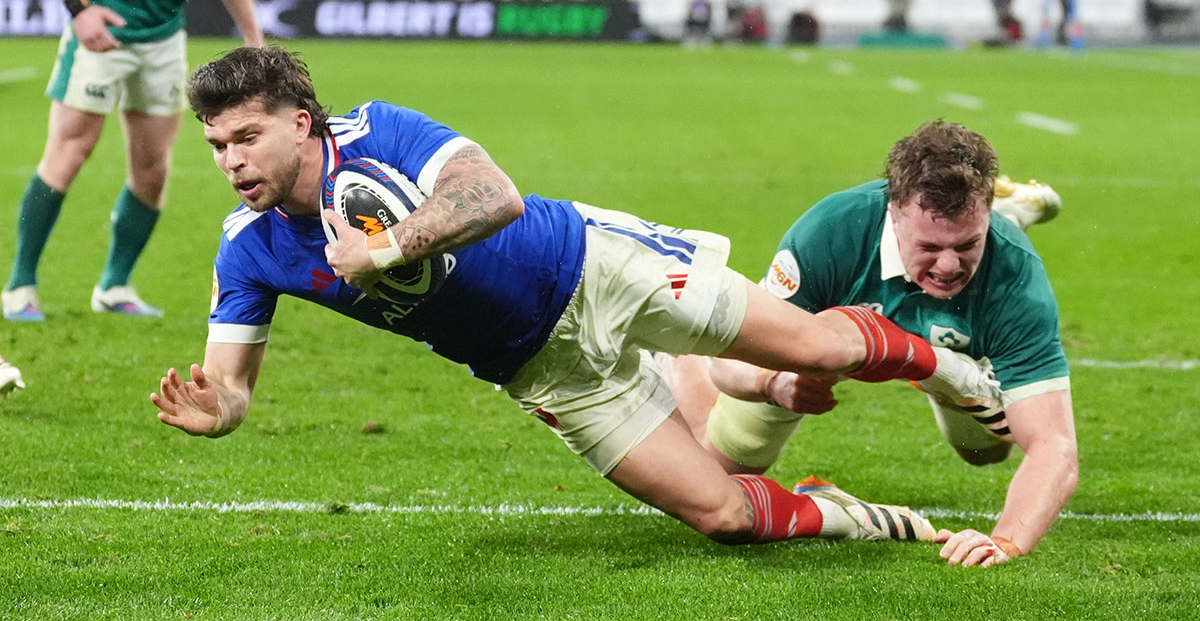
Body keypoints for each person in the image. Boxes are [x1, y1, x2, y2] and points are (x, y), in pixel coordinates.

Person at [151, 47, 1003, 547]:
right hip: (542, 371)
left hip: (599, 268)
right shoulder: (247, 250)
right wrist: (220, 410)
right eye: (219, 144)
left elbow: (494, 195)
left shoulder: (380, 131)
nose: (230, 160)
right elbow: (233, 382)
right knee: (719, 515)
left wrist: (385, 248)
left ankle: (949, 369)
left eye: (246, 136)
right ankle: (857, 517)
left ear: (300, 121)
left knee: (817, 347)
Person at [662, 120, 1074, 567]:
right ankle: (671, 351)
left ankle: (949, 351)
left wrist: (1006, 542)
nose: (950, 265)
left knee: (985, 451)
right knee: (717, 476)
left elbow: (1053, 445)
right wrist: (774, 383)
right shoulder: (830, 234)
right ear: (892, 212)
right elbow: (730, 364)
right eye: (930, 246)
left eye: (968, 243)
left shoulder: (1016, 275)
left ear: (986, 214)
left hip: (956, 356)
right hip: (815, 346)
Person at [2, 0, 263, 322]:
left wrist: (252, 36)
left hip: (165, 39)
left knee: (153, 169)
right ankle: (19, 286)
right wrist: (78, 7)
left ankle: (114, 287)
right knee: (68, 154)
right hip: (101, 30)